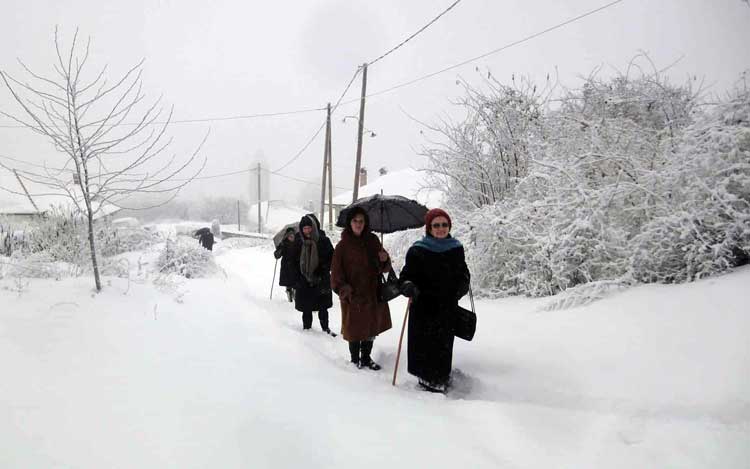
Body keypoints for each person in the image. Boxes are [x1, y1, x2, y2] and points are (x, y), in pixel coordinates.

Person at [399, 208, 470, 393]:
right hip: (423, 307)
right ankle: (426, 381)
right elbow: (405, 276)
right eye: (436, 225)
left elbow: (463, 272)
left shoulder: (456, 248)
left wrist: (462, 284)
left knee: (443, 345)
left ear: (449, 226)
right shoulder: (417, 250)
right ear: (429, 228)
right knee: (424, 345)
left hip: (446, 307)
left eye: (444, 225)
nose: (440, 228)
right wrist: (408, 286)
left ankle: (442, 377)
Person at [331, 207, 392, 370]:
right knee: (354, 328)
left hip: (372, 292)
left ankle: (366, 357)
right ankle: (354, 359)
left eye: (361, 221)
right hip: (353, 294)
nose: (358, 224)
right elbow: (336, 274)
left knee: (370, 327)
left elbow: (384, 267)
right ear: (349, 223)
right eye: (355, 221)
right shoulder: (342, 246)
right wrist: (345, 289)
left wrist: (384, 259)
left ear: (365, 223)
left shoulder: (373, 241)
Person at [289, 214, 336, 335]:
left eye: (309, 228)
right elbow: (293, 261)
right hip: (303, 280)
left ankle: (326, 329)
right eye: (304, 228)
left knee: (323, 306)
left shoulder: (323, 241)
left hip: (321, 279)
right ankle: (307, 329)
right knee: (306, 307)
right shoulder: (298, 242)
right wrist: (297, 278)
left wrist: (322, 269)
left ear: (314, 227)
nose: (307, 231)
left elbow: (332, 258)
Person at [274, 227, 297, 302]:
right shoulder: (283, 243)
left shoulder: (298, 242)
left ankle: (295, 294)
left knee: (296, 283)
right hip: (286, 266)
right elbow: (277, 255)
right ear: (287, 236)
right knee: (288, 283)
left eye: (293, 235)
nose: (291, 237)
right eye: (290, 235)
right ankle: (289, 294)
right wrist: (278, 251)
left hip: (296, 265)